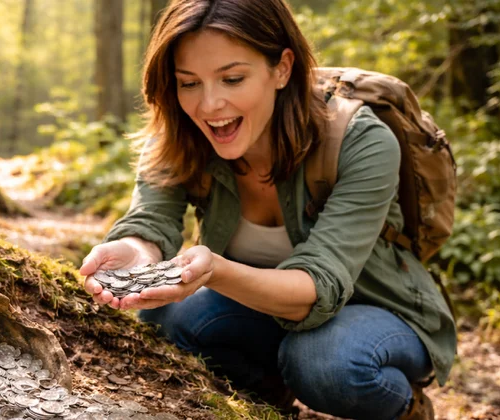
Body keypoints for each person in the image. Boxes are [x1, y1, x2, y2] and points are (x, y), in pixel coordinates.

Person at [79, 0, 457, 419]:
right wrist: (135, 253)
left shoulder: (362, 141)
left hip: (378, 313)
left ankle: (405, 409)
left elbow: (320, 283)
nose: (208, 105)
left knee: (323, 362)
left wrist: (216, 271)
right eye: (189, 83)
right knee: (169, 312)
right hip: (265, 315)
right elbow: (151, 219)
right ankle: (266, 400)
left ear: (282, 68)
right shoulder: (181, 135)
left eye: (232, 78)